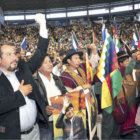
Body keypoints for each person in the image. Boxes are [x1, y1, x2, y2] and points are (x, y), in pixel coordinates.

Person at [0, 14, 49, 140]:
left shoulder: (23, 68)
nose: (14, 57)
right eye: (8, 54)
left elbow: (40, 53)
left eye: (15, 53)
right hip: (13, 136)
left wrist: (42, 25)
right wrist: (20, 94)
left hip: (35, 132)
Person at [34, 55, 67, 140]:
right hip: (45, 124)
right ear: (38, 67)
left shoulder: (57, 79)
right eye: (45, 62)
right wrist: (43, 110)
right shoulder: (34, 82)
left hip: (60, 120)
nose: (49, 64)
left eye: (50, 61)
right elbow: (32, 104)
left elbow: (65, 94)